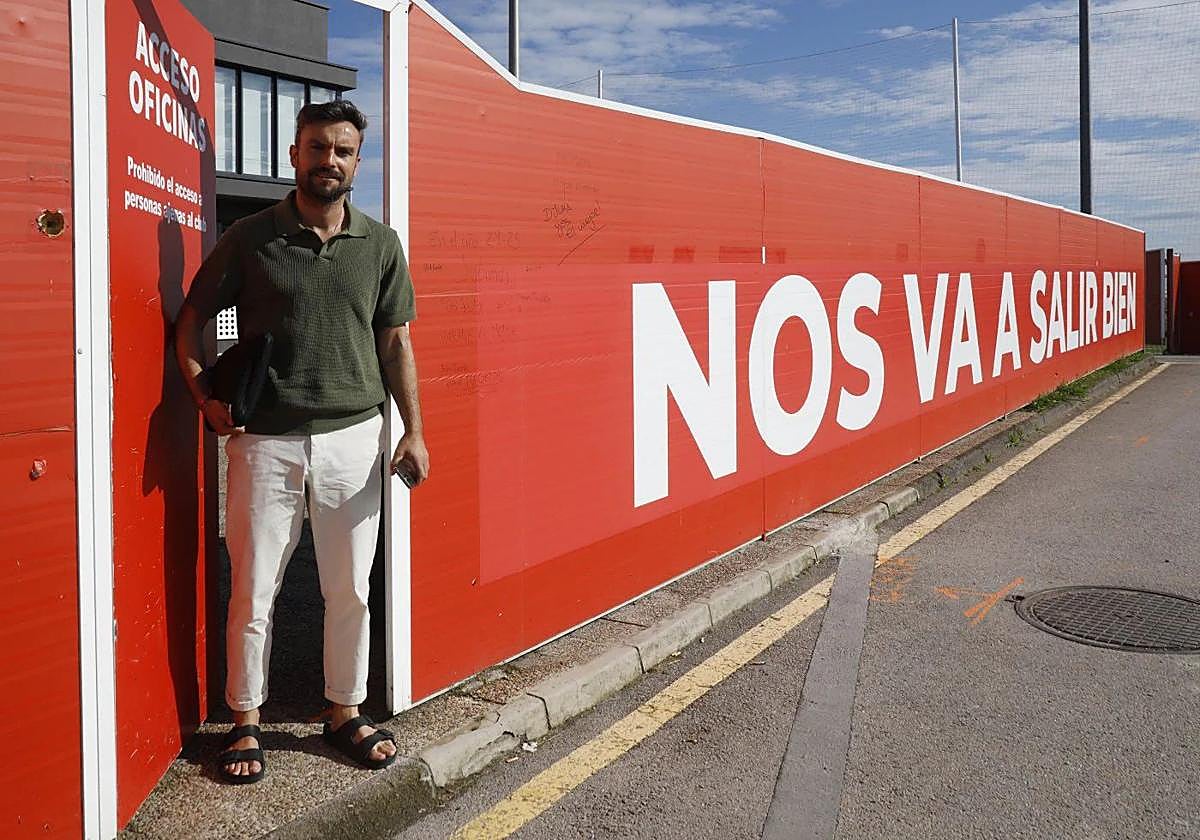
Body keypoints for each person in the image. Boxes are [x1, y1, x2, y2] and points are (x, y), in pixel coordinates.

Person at [174, 99, 429, 784]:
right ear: (294, 154)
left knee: (350, 589)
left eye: (343, 151)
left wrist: (413, 430)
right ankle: (245, 720)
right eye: (317, 147)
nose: (329, 161)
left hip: (356, 439)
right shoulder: (252, 237)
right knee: (255, 589)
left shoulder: (380, 243)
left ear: (357, 162)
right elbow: (194, 318)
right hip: (265, 443)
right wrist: (205, 397)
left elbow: (395, 342)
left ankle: (343, 711)